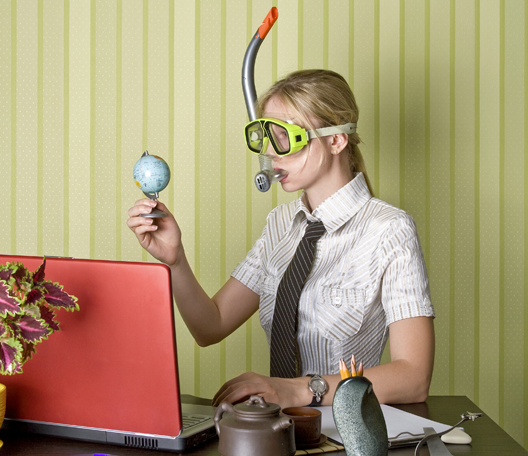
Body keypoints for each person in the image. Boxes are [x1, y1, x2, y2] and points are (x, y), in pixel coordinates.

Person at [127, 69, 435, 409]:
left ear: (336, 140)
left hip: (346, 433)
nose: (272, 153)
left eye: (284, 137)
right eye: (264, 137)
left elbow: (414, 377)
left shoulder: (389, 229)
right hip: (278, 431)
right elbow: (209, 327)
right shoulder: (280, 224)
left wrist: (300, 390)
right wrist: (175, 260)